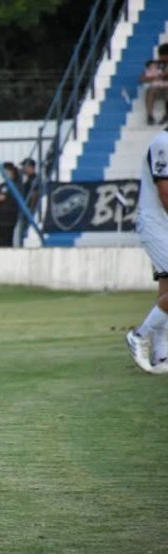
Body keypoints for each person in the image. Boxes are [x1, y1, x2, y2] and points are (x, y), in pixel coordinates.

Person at [126, 125, 168, 374]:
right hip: (157, 226)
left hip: (163, 226)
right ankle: (140, 336)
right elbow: (165, 192)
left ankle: (162, 355)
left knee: (166, 290)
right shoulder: (163, 142)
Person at [0, 162, 20, 248]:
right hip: (2, 216)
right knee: (2, 241)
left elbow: (2, 197)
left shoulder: (13, 184)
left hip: (8, 216)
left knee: (6, 241)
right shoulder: (4, 185)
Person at [141, 45, 168, 126]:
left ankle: (166, 115)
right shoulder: (155, 64)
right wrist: (154, 77)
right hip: (159, 87)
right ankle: (150, 116)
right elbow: (142, 78)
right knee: (150, 90)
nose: (161, 58)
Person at [17, 158, 39, 245]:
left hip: (29, 209)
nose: (23, 168)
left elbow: (35, 194)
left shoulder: (34, 179)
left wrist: (30, 208)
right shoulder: (29, 179)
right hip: (27, 209)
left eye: (24, 166)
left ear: (30, 167)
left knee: (26, 231)